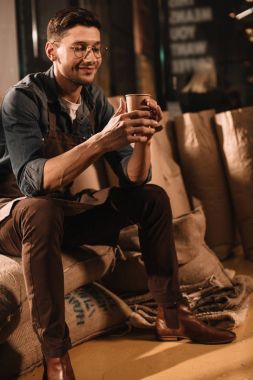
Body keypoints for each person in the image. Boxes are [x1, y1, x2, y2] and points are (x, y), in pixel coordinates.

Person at [0, 7, 235, 380]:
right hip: (11, 214)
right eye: (79, 48)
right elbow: (32, 183)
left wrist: (141, 138)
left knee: (152, 198)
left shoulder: (93, 100)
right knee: (39, 208)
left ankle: (171, 316)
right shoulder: (23, 99)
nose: (91, 58)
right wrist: (101, 139)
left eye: (96, 49)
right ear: (52, 51)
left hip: (58, 208)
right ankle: (56, 357)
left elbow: (134, 179)